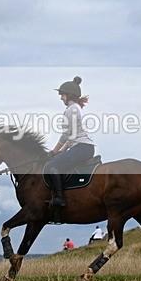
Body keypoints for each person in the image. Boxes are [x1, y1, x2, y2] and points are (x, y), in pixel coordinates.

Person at [48, 76, 96, 220]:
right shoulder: (76, 109)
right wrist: (60, 152)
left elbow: (65, 136)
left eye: (62, 95)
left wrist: (53, 152)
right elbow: (71, 138)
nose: (60, 98)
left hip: (82, 147)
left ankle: (59, 198)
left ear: (69, 95)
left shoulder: (71, 110)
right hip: (82, 146)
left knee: (52, 167)